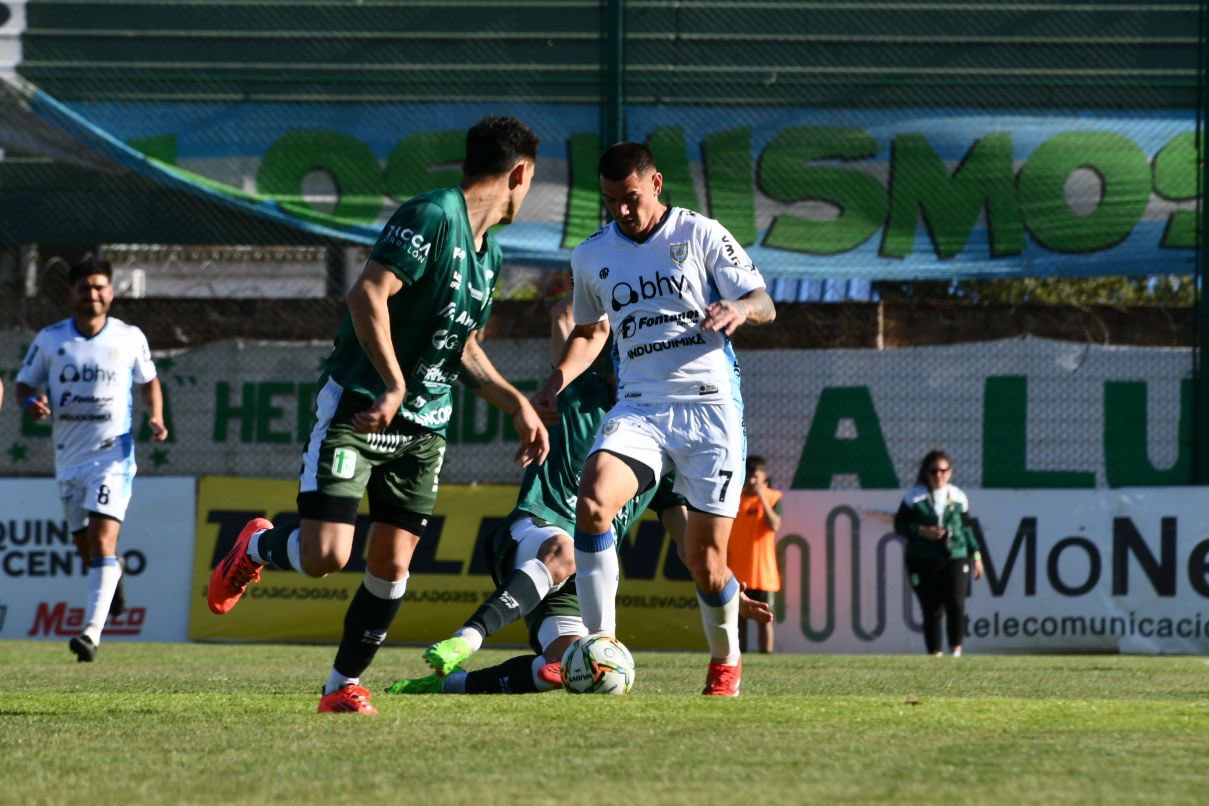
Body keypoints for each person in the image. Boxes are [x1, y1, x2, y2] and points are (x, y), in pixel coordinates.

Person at [206, 116, 550, 715]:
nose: (527, 195)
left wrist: (516, 401)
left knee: (393, 565)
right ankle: (258, 548)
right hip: (363, 410)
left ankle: (340, 685)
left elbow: (462, 346)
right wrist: (392, 383)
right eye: (530, 182)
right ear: (519, 173)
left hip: (424, 431)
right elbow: (367, 293)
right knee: (326, 556)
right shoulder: (432, 215)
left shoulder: (490, 254)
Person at [387, 297, 772, 696]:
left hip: (582, 582)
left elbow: (686, 540)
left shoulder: (663, 456)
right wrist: (580, 297)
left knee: (572, 667)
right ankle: (465, 640)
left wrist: (722, 584)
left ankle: (444, 685)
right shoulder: (580, 396)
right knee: (565, 548)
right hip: (534, 531)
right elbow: (567, 333)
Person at [533, 142, 776, 696]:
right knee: (592, 502)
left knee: (707, 565)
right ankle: (602, 647)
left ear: (657, 183)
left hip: (710, 407)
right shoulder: (592, 255)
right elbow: (592, 332)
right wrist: (557, 379)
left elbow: (764, 300)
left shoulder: (700, 234)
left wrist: (739, 308)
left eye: (631, 198)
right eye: (611, 201)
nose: (621, 210)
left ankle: (725, 660)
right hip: (640, 404)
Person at [16, 257, 168, 662]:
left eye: (100, 287)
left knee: (101, 539)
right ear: (72, 293)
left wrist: (155, 416)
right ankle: (111, 573)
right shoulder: (50, 339)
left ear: (112, 292)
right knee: (89, 552)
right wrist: (32, 402)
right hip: (68, 460)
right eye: (85, 288)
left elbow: (149, 381)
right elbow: (23, 385)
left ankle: (90, 633)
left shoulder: (129, 337)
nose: (93, 294)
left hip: (111, 455)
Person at [894, 450, 983, 657]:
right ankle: (935, 655)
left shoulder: (958, 496)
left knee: (956, 603)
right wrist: (923, 532)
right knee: (931, 607)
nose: (938, 475)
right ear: (926, 473)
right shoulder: (914, 496)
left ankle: (956, 653)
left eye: (943, 470)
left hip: (955, 555)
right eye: (934, 471)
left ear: (950, 472)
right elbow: (900, 526)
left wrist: (976, 555)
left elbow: (968, 528)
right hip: (923, 558)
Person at [729, 455, 782, 654]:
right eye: (748, 476)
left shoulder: (773, 497)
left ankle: (766, 655)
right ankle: (738, 654)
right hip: (738, 571)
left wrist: (761, 497)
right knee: (739, 619)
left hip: (763, 572)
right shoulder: (735, 498)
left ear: (764, 477)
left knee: (764, 618)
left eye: (755, 476)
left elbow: (775, 524)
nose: (751, 481)